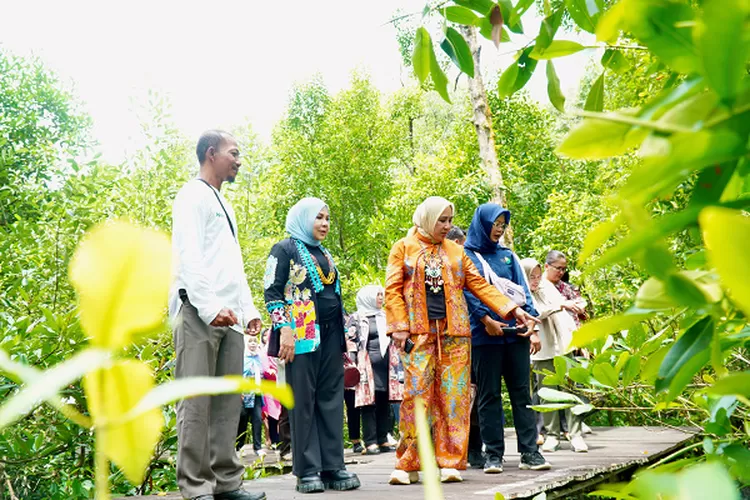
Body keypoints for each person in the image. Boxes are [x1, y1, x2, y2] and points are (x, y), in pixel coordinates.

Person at [385, 196, 538, 485]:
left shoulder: (456, 251)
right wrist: (399, 327)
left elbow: (478, 284)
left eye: (450, 220)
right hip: (418, 335)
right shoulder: (403, 248)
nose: (447, 226)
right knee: (416, 397)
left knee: (454, 398)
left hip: (455, 335)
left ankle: (451, 461)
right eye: (442, 220)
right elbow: (392, 289)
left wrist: (513, 309)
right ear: (427, 218)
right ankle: (408, 464)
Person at [169, 130, 265, 500]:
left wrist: (248, 309)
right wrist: (209, 309)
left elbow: (232, 265)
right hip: (199, 313)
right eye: (233, 153)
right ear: (211, 154)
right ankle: (196, 488)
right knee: (196, 402)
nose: (238, 160)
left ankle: (226, 483)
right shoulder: (192, 195)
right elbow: (188, 256)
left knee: (227, 403)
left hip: (230, 317)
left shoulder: (225, 204)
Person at [263, 197, 360, 494]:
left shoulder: (324, 253)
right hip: (300, 336)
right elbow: (272, 292)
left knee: (331, 398)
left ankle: (333, 465)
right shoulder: (285, 249)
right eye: (318, 218)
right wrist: (285, 331)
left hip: (331, 336)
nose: (324, 224)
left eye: (327, 218)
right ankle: (307, 470)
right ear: (303, 219)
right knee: (303, 401)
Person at [463, 203, 549, 475]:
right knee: (489, 396)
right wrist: (485, 319)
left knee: (522, 393)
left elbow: (522, 291)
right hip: (484, 335)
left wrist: (532, 326)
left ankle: (530, 452)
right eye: (495, 224)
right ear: (482, 224)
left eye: (502, 225)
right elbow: (466, 291)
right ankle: (493, 455)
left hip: (515, 334)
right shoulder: (466, 255)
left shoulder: (508, 256)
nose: (498, 230)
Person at [521, 258, 588, 453]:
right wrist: (561, 306)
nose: (535, 280)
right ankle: (552, 435)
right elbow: (535, 312)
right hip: (543, 349)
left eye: (538, 276)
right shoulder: (522, 289)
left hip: (564, 343)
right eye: (531, 276)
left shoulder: (546, 287)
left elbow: (563, 305)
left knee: (573, 388)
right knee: (547, 392)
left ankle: (576, 434)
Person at [350, 285, 403, 455]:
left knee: (384, 401)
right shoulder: (357, 318)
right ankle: (370, 441)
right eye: (378, 295)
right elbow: (350, 342)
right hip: (366, 365)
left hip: (387, 366)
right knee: (368, 403)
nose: (381, 298)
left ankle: (383, 438)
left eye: (382, 294)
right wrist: (351, 365)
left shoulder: (386, 316)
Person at [544, 250, 588, 327]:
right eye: (558, 268)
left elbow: (578, 302)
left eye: (563, 269)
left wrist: (580, 309)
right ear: (547, 266)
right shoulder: (539, 286)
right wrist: (563, 305)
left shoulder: (565, 287)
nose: (561, 272)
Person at [237, 335, 264, 455]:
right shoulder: (242, 357)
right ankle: (239, 446)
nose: (253, 344)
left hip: (257, 392)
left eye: (255, 341)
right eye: (250, 342)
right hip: (244, 392)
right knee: (242, 418)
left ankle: (257, 447)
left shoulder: (259, 357)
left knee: (257, 419)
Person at [344, 314, 364, 453]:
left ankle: (355, 440)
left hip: (349, 379)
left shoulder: (353, 342)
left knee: (353, 409)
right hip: (332, 377)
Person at [259, 328, 282, 450]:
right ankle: (274, 440)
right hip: (270, 386)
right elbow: (265, 368)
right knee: (272, 415)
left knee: (283, 414)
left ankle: (284, 439)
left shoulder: (282, 347)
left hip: (282, 384)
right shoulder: (264, 352)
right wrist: (271, 371)